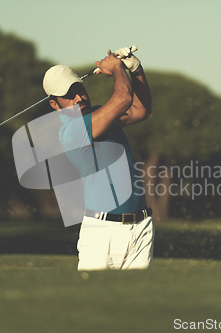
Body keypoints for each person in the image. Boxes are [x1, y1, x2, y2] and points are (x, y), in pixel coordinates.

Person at [42, 47, 154, 270]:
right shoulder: (71, 131)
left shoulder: (101, 113)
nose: (79, 97)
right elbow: (123, 98)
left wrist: (136, 70)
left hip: (141, 227)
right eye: (68, 95)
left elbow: (141, 110)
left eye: (79, 89)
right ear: (55, 105)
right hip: (103, 232)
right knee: (91, 303)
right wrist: (117, 68)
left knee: (136, 303)